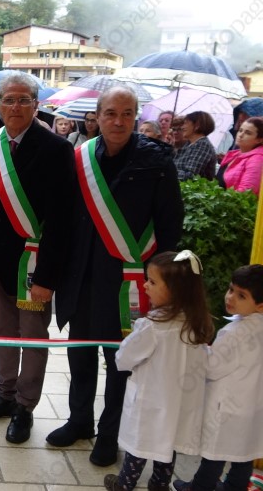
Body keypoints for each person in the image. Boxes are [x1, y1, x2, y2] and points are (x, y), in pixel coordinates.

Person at [49, 86, 184, 466]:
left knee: (120, 360)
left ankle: (110, 434)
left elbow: (170, 223)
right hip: (81, 275)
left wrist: (162, 280)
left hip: (128, 279)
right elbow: (63, 217)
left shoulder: (156, 159)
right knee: (80, 353)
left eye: (127, 114)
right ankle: (79, 421)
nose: (119, 121)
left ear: (136, 117)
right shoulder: (81, 157)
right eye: (111, 113)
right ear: (97, 116)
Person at [0, 72, 76, 444]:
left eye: (23, 99)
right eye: (9, 100)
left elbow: (62, 220)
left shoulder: (57, 149)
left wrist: (47, 277)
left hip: (33, 266)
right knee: (4, 331)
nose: (15, 107)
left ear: (36, 105)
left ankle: (25, 406)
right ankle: (5, 393)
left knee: (33, 336)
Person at [103, 250, 213, 491]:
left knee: (140, 443)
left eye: (152, 282)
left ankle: (124, 483)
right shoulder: (197, 325)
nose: (144, 285)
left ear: (175, 290)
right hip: (180, 402)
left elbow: (124, 357)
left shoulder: (152, 327)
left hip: (152, 400)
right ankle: (160, 483)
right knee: (168, 443)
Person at [173, 264, 263, 491]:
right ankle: (234, 487)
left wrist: (201, 348)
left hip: (226, 408)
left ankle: (199, 488)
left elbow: (212, 368)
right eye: (231, 289)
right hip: (252, 408)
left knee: (214, 454)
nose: (230, 297)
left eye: (241, 295)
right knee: (243, 453)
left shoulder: (233, 334)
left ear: (260, 305)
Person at [218, 116, 263, 195]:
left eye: (248, 133)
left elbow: (246, 193)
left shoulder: (257, 159)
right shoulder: (235, 154)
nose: (241, 135)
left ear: (259, 140)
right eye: (240, 130)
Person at [174, 111, 217, 180]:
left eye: (185, 123)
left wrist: (166, 172)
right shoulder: (189, 144)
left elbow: (191, 175)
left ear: (197, 125)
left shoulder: (202, 145)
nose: (182, 127)